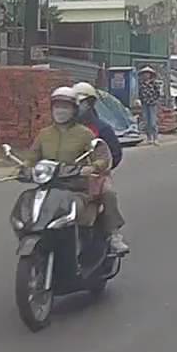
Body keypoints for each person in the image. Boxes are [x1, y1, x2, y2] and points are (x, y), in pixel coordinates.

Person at [20, 87, 116, 276]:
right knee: (28, 208)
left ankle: (82, 253)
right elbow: (32, 157)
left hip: (75, 189)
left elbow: (102, 156)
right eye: (57, 106)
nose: (60, 111)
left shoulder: (85, 134)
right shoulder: (44, 134)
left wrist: (93, 167)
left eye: (65, 107)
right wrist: (24, 168)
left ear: (74, 110)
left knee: (75, 213)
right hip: (47, 188)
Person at [73, 82, 128, 256]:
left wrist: (101, 168)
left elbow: (115, 154)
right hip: (66, 175)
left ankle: (114, 235)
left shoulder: (102, 128)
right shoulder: (62, 128)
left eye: (82, 102)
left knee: (108, 194)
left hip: (95, 176)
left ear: (90, 104)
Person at [137, 65, 163, 145]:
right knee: (146, 122)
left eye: (147, 73)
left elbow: (158, 93)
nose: (146, 75)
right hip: (144, 104)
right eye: (144, 73)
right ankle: (149, 138)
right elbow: (140, 94)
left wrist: (155, 101)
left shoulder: (154, 83)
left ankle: (155, 138)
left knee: (153, 122)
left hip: (152, 104)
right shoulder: (141, 84)